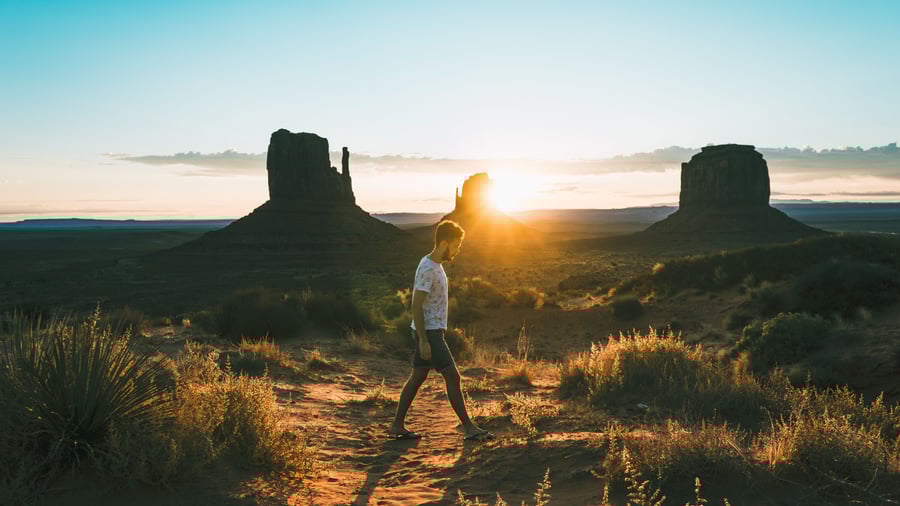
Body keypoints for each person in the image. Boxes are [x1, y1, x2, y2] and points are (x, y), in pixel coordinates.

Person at [389, 220, 494, 441]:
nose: (458, 251)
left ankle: (397, 425)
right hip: (429, 333)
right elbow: (416, 305)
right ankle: (469, 428)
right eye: (455, 245)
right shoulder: (429, 268)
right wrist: (424, 340)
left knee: (417, 376)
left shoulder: (435, 265)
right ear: (444, 243)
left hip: (429, 331)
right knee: (453, 377)